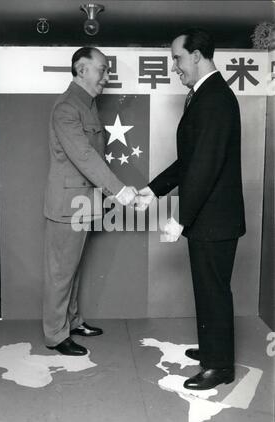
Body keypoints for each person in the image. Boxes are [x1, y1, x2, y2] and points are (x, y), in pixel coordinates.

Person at [136, 28, 246, 390]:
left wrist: (181, 218)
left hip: (213, 218)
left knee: (212, 289)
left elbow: (206, 165)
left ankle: (219, 367)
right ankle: (213, 348)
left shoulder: (214, 98)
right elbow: (190, 161)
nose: (174, 67)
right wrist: (154, 190)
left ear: (197, 55)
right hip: (211, 216)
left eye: (178, 59)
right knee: (207, 286)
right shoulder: (205, 95)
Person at [43, 47, 137, 355]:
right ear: (81, 69)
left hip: (82, 203)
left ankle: (72, 321)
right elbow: (84, 156)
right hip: (68, 206)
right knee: (61, 273)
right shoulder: (67, 108)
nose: (107, 77)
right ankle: (56, 335)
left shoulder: (87, 105)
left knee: (73, 270)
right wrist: (119, 190)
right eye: (102, 70)